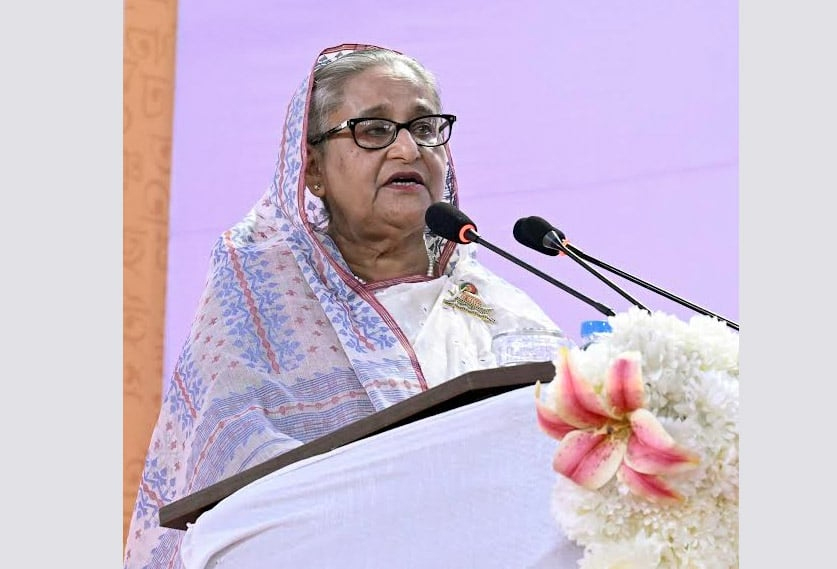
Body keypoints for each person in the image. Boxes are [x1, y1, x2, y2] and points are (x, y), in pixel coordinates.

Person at [124, 42, 561, 569]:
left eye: (425, 128)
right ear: (312, 168)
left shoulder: (497, 303)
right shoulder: (261, 295)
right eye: (373, 130)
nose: (408, 150)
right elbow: (236, 486)